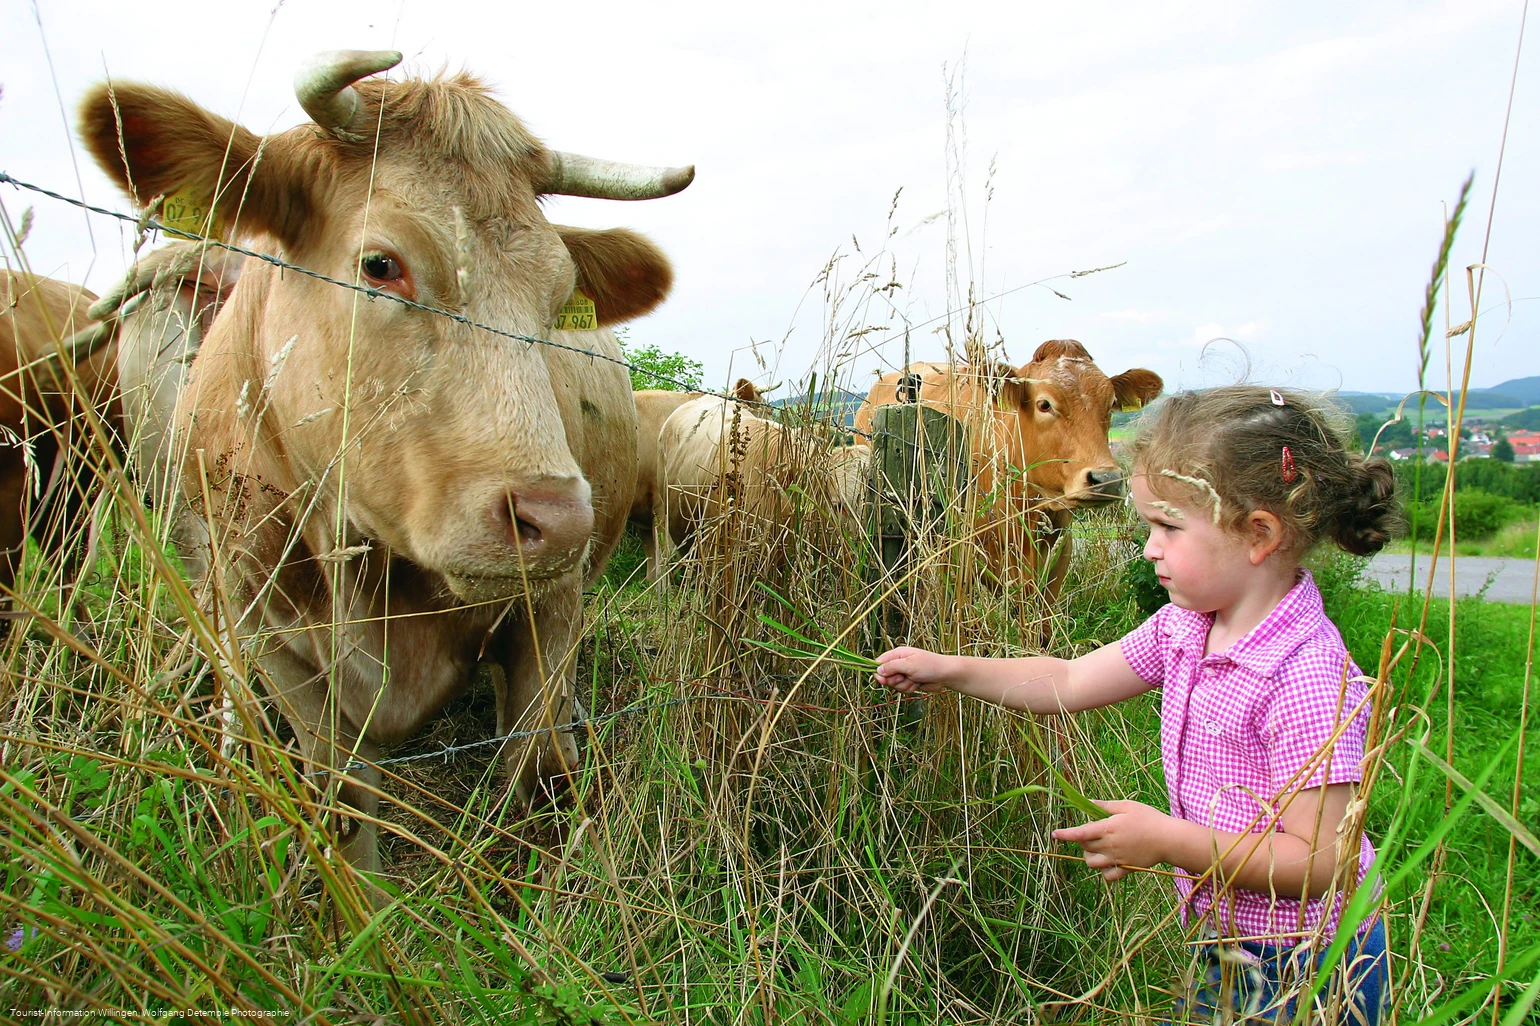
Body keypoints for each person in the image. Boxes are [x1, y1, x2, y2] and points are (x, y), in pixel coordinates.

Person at [874, 385, 1400, 1024]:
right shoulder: (1188, 626)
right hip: (1231, 939)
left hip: (1313, 960)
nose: (1148, 547)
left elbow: (1320, 861)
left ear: (1259, 534)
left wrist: (1166, 840)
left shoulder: (1306, 677)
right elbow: (1068, 681)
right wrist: (954, 670)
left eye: (1168, 526)